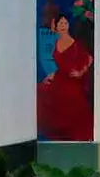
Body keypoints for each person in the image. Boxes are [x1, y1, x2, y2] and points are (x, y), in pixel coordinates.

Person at [38, 13, 93, 141]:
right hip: (59, 79)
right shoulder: (56, 42)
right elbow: (61, 66)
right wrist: (51, 75)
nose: (63, 26)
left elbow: (89, 58)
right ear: (56, 26)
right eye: (60, 23)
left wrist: (80, 72)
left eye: (65, 23)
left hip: (72, 83)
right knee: (40, 91)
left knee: (73, 108)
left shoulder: (74, 43)